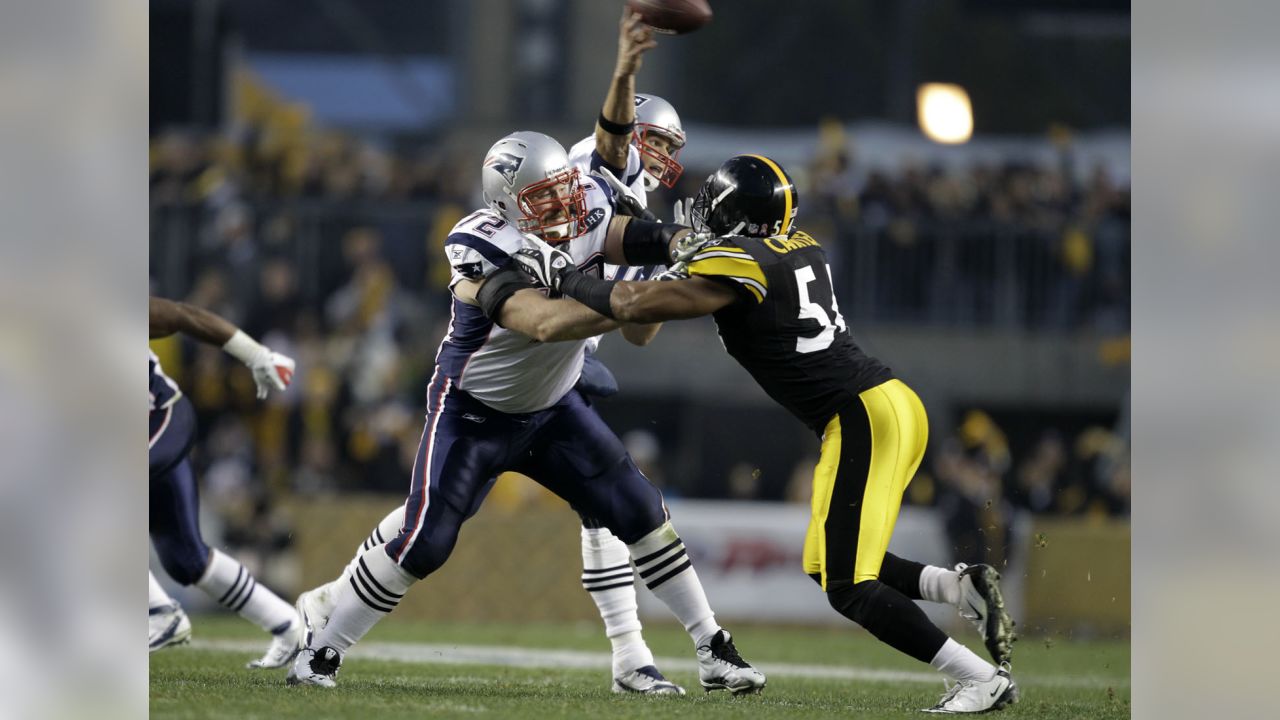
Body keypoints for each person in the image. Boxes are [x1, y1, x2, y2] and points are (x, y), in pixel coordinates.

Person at [503, 155, 1020, 713]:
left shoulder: (742, 262)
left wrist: (567, 278)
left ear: (735, 214)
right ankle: (956, 587)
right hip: (887, 405)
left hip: (862, 415)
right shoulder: (799, 244)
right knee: (829, 564)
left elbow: (633, 306)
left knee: (847, 584)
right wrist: (674, 252)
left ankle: (979, 678)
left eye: (713, 204)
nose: (701, 212)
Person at [286, 131, 766, 697]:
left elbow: (634, 237)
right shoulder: (479, 244)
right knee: (426, 542)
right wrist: (632, 298)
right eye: (543, 198)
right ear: (506, 204)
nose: (564, 207)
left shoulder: (586, 204)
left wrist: (685, 244)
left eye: (563, 189)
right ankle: (321, 652)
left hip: (554, 407)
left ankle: (712, 647)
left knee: (642, 511)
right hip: (474, 413)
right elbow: (543, 322)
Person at [148, 296, 304, 668]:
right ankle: (290, 628)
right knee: (187, 559)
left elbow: (182, 316)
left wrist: (256, 355)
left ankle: (158, 612)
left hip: (158, 418)